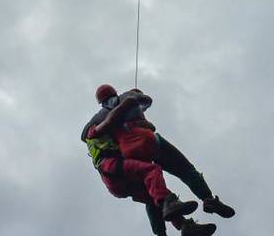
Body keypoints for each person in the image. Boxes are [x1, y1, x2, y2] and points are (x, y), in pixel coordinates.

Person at [83, 85, 235, 236]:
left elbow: (85, 134)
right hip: (148, 140)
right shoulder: (126, 97)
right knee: (185, 170)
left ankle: (174, 229)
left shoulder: (99, 117)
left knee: (152, 193)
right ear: (113, 92)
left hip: (128, 151)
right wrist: (136, 95)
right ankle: (208, 199)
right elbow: (146, 100)